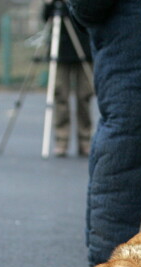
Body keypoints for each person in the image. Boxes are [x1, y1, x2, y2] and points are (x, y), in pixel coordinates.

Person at [70, 0, 141, 266]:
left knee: (131, 144)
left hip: (129, 36)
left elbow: (86, 10)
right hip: (135, 37)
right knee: (133, 145)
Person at [43, 0, 93, 157]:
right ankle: (61, 140)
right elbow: (46, 18)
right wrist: (48, 4)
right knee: (59, 94)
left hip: (83, 47)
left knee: (84, 96)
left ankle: (85, 140)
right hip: (60, 49)